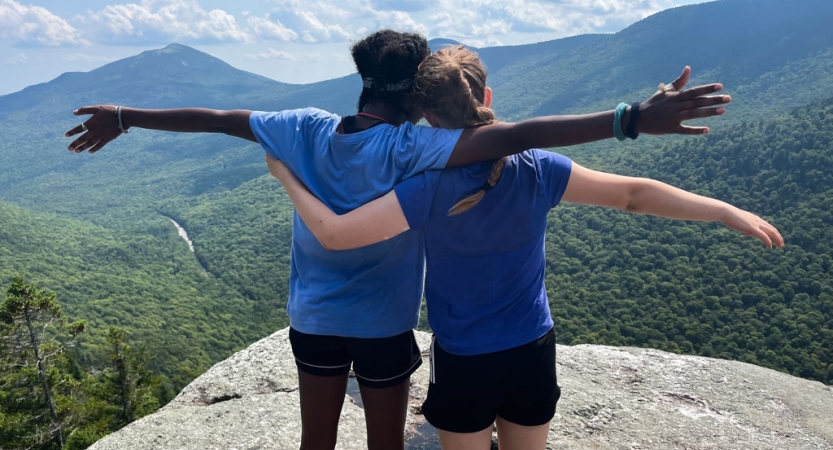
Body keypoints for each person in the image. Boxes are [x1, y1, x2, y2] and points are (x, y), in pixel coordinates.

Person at [66, 30, 732, 450]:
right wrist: (627, 119)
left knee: (315, 439)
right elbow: (517, 137)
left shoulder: (300, 125)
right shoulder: (417, 146)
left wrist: (127, 116)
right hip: (384, 325)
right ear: (417, 98)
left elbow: (216, 119)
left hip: (311, 320)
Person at [263, 46, 784, 450]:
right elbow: (632, 194)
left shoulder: (424, 186)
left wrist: (286, 173)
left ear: (423, 121)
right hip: (534, 349)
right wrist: (722, 210)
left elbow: (334, 234)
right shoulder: (538, 168)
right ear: (486, 99)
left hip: (466, 357)